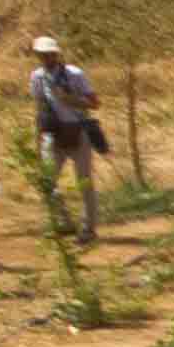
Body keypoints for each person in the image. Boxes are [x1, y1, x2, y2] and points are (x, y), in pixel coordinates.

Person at [24, 34, 108, 248]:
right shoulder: (37, 77)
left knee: (85, 183)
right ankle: (64, 221)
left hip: (78, 131)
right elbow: (40, 107)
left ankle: (89, 228)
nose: (46, 58)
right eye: (42, 54)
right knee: (47, 183)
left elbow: (94, 103)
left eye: (50, 54)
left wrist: (71, 99)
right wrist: (38, 135)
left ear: (56, 53)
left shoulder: (74, 74)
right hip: (53, 134)